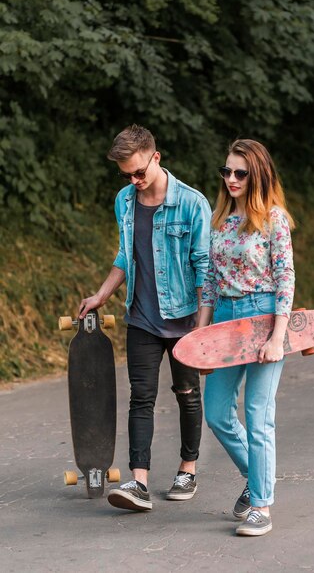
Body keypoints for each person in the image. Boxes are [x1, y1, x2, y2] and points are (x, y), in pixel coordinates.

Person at [79, 124, 211, 511]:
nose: (134, 181)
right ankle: (139, 483)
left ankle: (187, 468)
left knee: (187, 395)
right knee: (142, 397)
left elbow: (204, 269)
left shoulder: (191, 203)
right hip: (141, 315)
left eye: (139, 172)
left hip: (185, 319)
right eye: (126, 175)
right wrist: (101, 294)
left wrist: (201, 332)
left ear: (156, 157)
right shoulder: (125, 200)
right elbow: (125, 254)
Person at [198, 138, 295, 536]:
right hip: (224, 316)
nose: (231, 179)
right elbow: (208, 279)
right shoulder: (219, 219)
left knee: (258, 414)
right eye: (227, 171)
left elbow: (285, 277)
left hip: (262, 314)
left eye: (240, 172)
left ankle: (261, 506)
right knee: (217, 411)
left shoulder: (273, 218)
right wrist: (201, 332)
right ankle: (257, 477)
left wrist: (278, 337)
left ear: (256, 175)